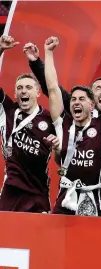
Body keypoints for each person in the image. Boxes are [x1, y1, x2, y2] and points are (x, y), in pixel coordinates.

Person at [44, 36, 101, 216]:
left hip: (96, 197)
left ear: (92, 104)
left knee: (92, 243)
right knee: (57, 243)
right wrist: (48, 53)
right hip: (66, 197)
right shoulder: (63, 123)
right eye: (73, 99)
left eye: (81, 99)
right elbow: (53, 88)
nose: (76, 103)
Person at [0, 35, 56, 213]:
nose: (23, 91)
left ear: (38, 93)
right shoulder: (8, 110)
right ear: (15, 94)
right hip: (11, 190)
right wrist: (0, 49)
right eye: (19, 88)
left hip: (38, 193)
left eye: (28, 87)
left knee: (39, 241)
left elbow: (54, 89)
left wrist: (58, 147)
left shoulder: (50, 118)